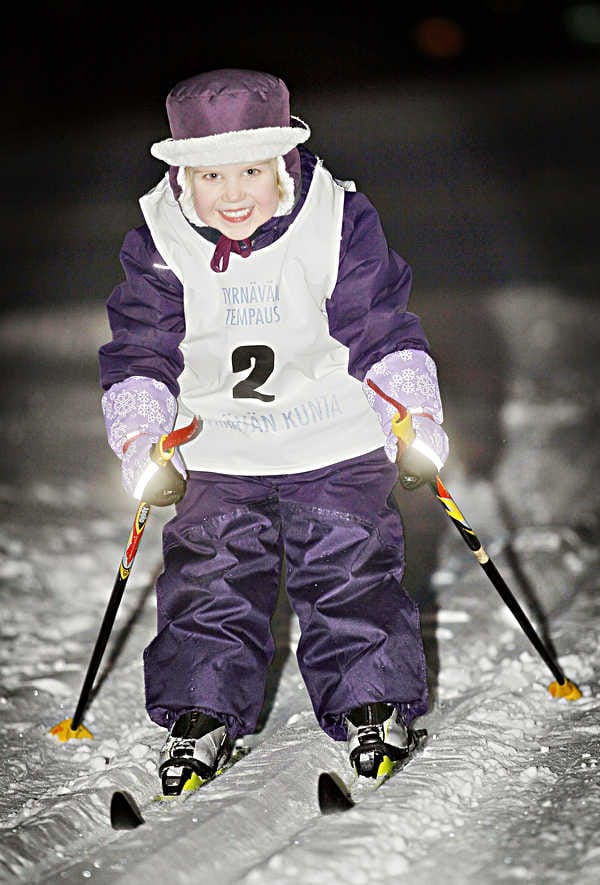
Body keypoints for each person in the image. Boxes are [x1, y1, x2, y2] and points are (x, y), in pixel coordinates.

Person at [99, 68, 449, 795]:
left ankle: (372, 701)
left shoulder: (337, 222)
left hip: (330, 437)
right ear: (181, 176)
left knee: (348, 565)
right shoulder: (160, 243)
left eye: (251, 170)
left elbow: (378, 322)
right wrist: (142, 437)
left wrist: (408, 412)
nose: (232, 194)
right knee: (210, 576)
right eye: (210, 175)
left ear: (284, 163)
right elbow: (141, 348)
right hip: (217, 443)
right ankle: (201, 708)